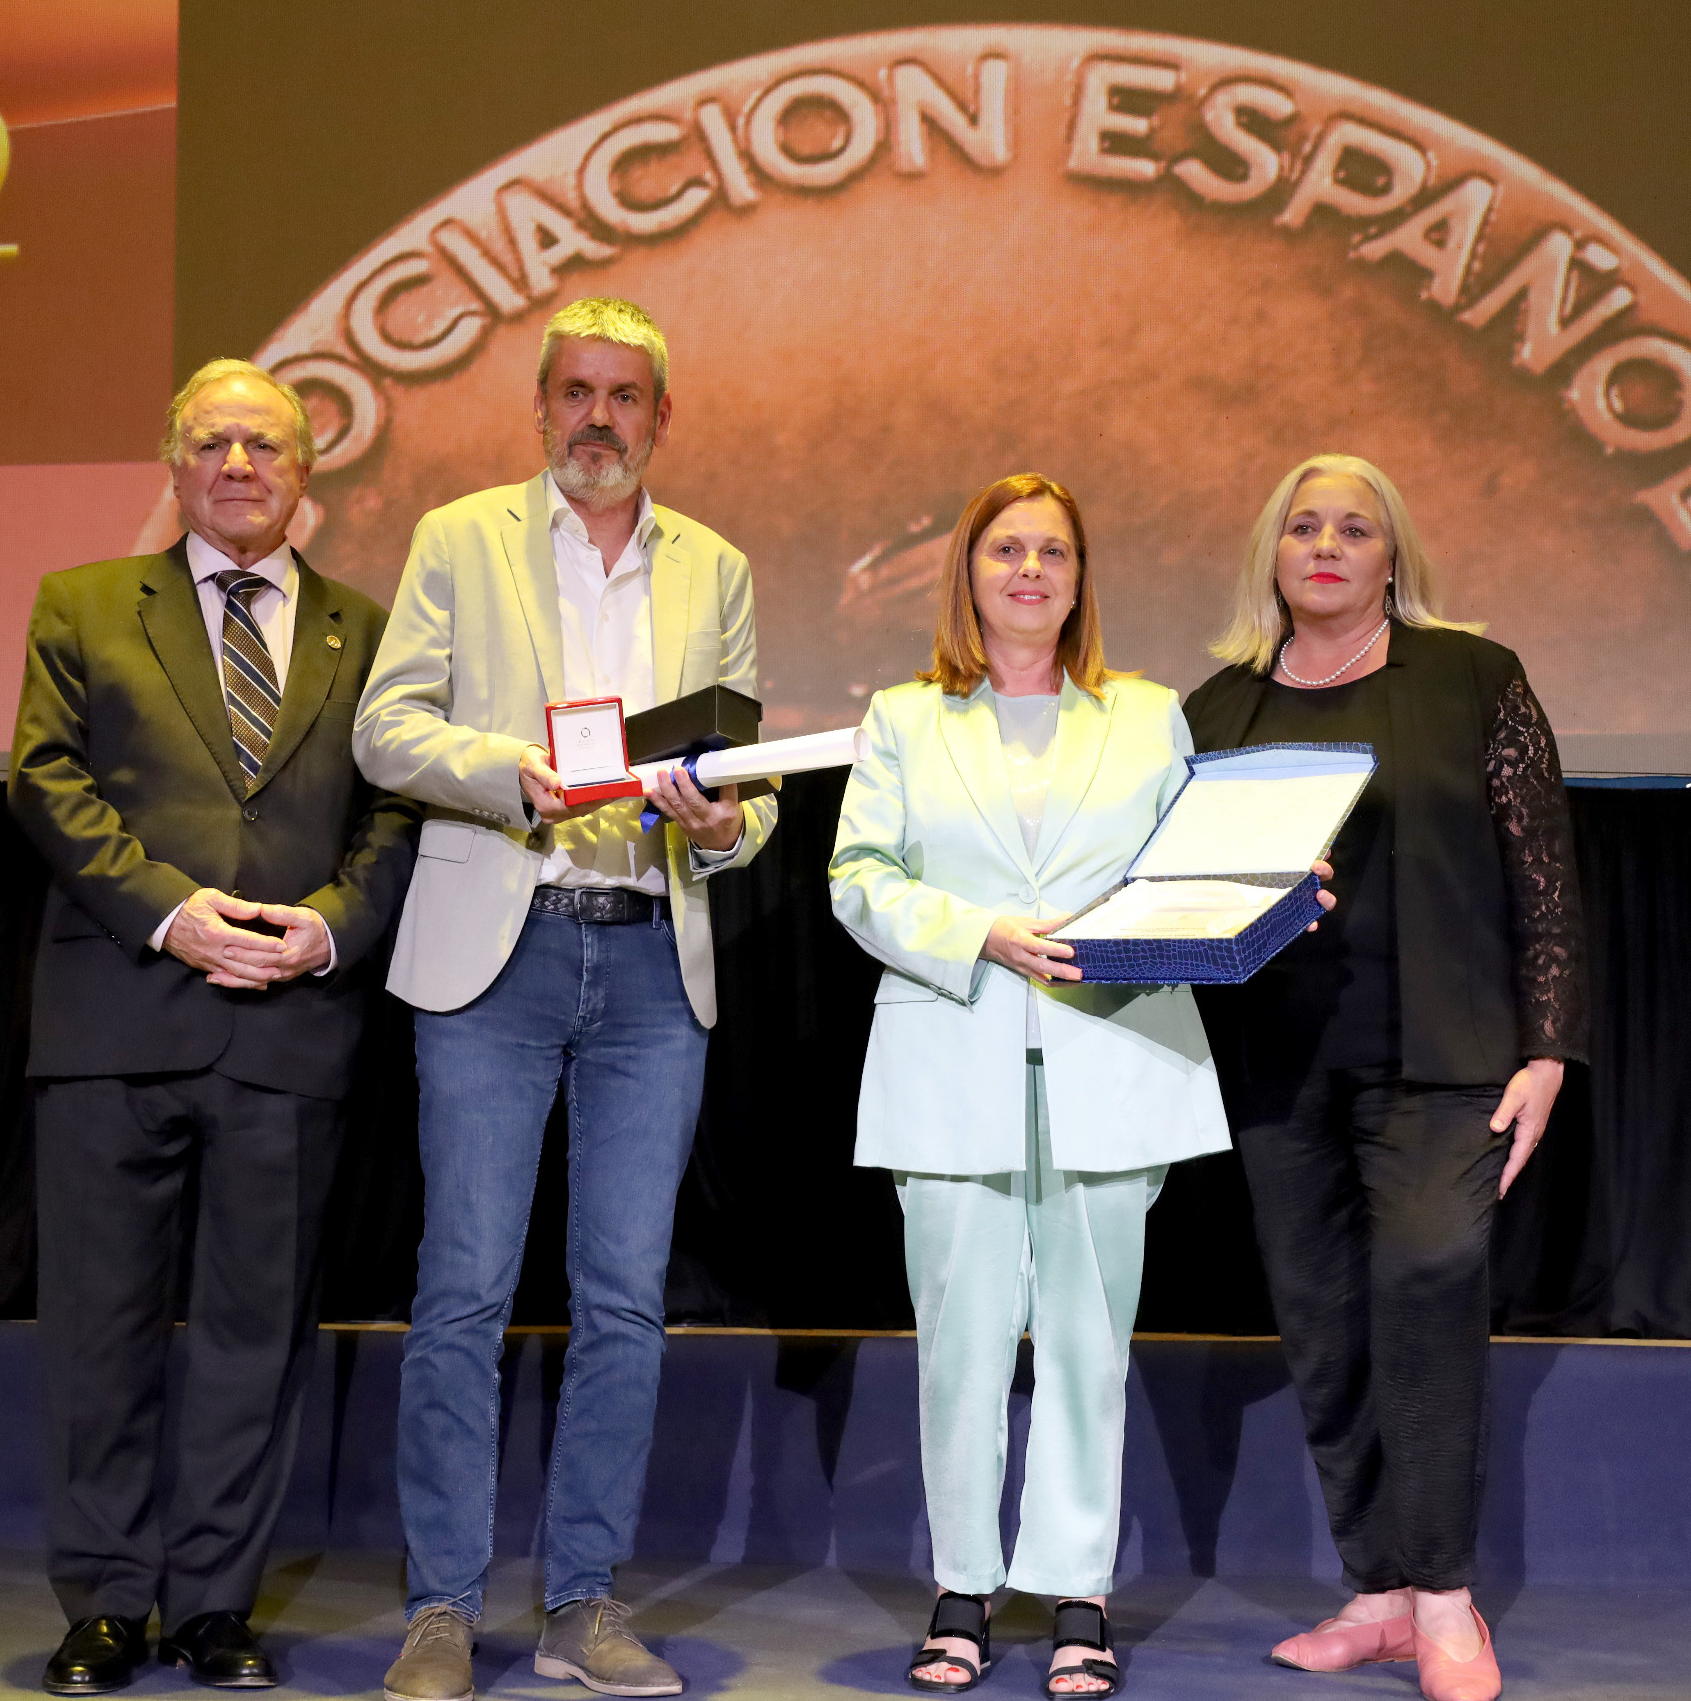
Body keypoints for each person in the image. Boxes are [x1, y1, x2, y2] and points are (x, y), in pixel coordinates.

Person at [353, 297, 777, 1701]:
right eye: (576, 392)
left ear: (662, 416)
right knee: (463, 1289)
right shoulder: (458, 537)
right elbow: (385, 725)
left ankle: (583, 1601)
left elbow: (746, 777)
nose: (599, 417)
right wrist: (503, 772)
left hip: (653, 955)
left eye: (625, 394)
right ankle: (440, 1607)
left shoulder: (715, 565)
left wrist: (725, 824)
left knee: (623, 1300)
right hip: (499, 944)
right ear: (541, 407)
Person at [7, 358, 419, 1694]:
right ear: (172, 464)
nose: (239, 465)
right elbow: (46, 779)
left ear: (307, 470)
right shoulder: (81, 603)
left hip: (289, 1027)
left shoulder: (372, 628)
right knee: (100, 1326)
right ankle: (106, 1602)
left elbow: (396, 809)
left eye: (265, 444)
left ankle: (213, 1606)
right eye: (212, 443)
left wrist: (334, 926)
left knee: (256, 1334)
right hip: (113, 1019)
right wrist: (171, 913)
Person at [830, 474, 1257, 1700]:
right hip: (948, 1057)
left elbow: (1193, 872)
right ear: (966, 572)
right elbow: (859, 876)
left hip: (1111, 1058)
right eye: (1005, 549)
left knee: (1086, 1340)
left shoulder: (1149, 715)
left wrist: (1273, 883)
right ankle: (961, 1586)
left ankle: (1079, 1590)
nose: (1029, 570)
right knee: (958, 1345)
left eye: (1052, 551)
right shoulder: (903, 716)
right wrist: (979, 931)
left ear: (1079, 579)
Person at [1184, 454, 1586, 1701]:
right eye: (1302, 526)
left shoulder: (1473, 675)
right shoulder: (1217, 709)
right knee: (1323, 1324)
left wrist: (1549, 1046)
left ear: (1391, 555)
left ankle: (1444, 1595)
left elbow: (1542, 868)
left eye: (1353, 528)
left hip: (1445, 1058)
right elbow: (1181, 891)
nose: (1325, 545)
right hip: (1277, 1066)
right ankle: (1375, 1593)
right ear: (1270, 554)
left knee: (1425, 1288)